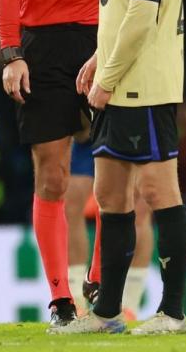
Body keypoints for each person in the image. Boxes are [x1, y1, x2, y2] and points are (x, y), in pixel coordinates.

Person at [53, 0, 186, 336]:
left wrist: (107, 76)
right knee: (110, 197)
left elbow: (142, 14)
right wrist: (96, 59)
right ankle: (107, 312)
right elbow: (118, 7)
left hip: (143, 84)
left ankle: (172, 312)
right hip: (117, 75)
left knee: (160, 194)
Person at [0, 0, 120, 328]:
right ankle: (60, 299)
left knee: (116, 176)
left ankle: (97, 283)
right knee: (54, 175)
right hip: (42, 46)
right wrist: (11, 53)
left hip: (106, 41)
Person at [66, 135, 154, 319]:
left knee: (136, 205)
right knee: (70, 202)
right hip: (89, 124)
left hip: (128, 115)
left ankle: (129, 305)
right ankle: (76, 300)